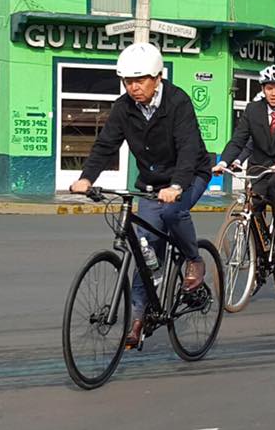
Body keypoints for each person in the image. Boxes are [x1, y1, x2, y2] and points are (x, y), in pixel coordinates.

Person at [70, 43, 213, 348]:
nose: (133, 87)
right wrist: (85, 178)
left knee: (173, 213)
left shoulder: (178, 102)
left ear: (158, 77)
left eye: (140, 80)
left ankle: (194, 260)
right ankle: (138, 319)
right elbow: (106, 144)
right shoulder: (124, 108)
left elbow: (188, 148)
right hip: (150, 183)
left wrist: (176, 186)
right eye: (127, 81)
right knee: (145, 249)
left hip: (190, 176)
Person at [213, 65, 275, 256]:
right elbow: (238, 140)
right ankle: (260, 248)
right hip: (260, 165)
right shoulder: (252, 110)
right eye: (269, 88)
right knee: (254, 201)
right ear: (263, 89)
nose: (274, 93)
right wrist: (223, 162)